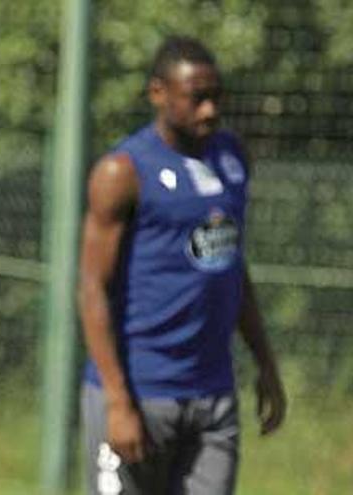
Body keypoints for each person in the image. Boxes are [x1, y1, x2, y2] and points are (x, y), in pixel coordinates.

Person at [77, 36, 286, 495]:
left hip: (213, 396)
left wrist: (266, 365)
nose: (210, 110)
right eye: (197, 98)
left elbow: (232, 268)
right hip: (140, 393)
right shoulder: (123, 171)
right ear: (159, 93)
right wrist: (117, 400)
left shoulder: (233, 157)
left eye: (216, 97)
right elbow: (91, 287)